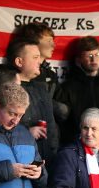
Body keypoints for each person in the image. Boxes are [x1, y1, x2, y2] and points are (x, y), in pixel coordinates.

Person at [6, 38, 59, 166]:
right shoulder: (7, 90)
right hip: (21, 163)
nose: (39, 61)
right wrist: (26, 133)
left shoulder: (42, 89)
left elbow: (51, 127)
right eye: (35, 57)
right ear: (19, 61)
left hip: (48, 162)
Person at [55, 37, 99, 140]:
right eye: (89, 56)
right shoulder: (67, 88)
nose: (94, 59)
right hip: (76, 144)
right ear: (78, 60)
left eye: (97, 55)